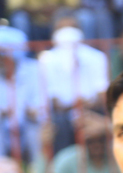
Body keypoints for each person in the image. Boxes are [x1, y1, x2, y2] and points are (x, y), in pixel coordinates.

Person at [38, 11, 111, 155]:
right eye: (62, 29)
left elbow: (103, 94)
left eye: (72, 27)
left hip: (92, 109)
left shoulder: (97, 57)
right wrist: (75, 105)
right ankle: (62, 163)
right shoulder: (47, 59)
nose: (68, 33)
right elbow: (53, 101)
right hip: (63, 114)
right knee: (58, 124)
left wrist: (86, 105)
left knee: (102, 119)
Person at [0, 25, 46, 161]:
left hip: (27, 126)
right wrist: (0, 114)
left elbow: (41, 107)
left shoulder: (35, 69)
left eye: (1, 54)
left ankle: (39, 171)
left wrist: (33, 113)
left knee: (38, 130)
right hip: (0, 127)